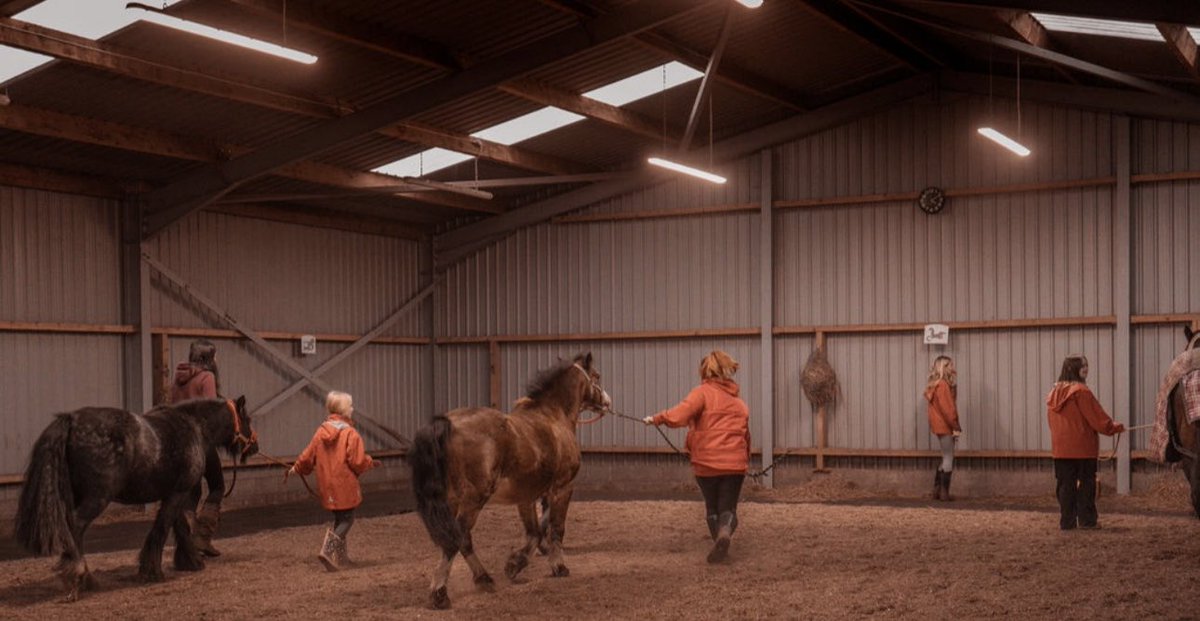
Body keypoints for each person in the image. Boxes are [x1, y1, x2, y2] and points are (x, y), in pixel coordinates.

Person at [644, 350, 750, 563]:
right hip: (734, 466)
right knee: (728, 507)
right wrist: (744, 460)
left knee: (711, 507)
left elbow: (680, 414)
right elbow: (746, 437)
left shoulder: (701, 393)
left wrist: (656, 418)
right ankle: (724, 534)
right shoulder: (739, 404)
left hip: (706, 464)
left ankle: (720, 544)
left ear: (705, 372)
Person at [288, 391, 379, 571]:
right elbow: (357, 461)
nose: (352, 408)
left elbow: (308, 455)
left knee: (340, 518)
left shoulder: (320, 432)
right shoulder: (351, 434)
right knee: (348, 518)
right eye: (350, 406)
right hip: (344, 484)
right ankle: (329, 551)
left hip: (327, 484)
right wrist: (370, 462)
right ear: (344, 410)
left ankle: (340, 558)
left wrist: (296, 467)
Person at [1046, 355, 1124, 530]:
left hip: (1061, 449)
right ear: (1075, 369)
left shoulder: (1053, 394)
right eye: (1083, 366)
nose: (1087, 369)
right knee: (1087, 485)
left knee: (1065, 486)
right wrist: (1113, 427)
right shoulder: (1081, 392)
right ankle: (1087, 521)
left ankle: (1067, 522)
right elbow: (1096, 418)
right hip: (1083, 448)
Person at [168, 339, 224, 557]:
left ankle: (186, 540)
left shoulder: (178, 379)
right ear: (208, 357)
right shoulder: (207, 377)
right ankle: (202, 538)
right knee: (217, 485)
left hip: (183, 442)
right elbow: (209, 411)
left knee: (193, 491)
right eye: (215, 355)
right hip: (202, 441)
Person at [924, 355, 962, 501]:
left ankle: (937, 490)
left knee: (945, 456)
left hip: (938, 424)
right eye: (950, 365)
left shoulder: (937, 385)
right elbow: (949, 409)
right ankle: (944, 493)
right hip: (945, 424)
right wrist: (956, 426)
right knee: (948, 457)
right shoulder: (943, 386)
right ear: (944, 367)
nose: (953, 368)